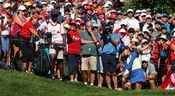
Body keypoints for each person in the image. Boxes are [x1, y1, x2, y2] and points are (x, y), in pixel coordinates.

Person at [80, 20, 97, 86]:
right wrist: (92, 42)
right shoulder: (82, 33)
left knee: (93, 69)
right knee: (84, 69)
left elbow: (96, 41)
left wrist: (91, 33)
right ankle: (85, 82)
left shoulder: (95, 33)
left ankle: (92, 83)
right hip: (84, 53)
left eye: (90, 26)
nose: (88, 27)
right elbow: (82, 41)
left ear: (92, 26)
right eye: (87, 26)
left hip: (93, 53)